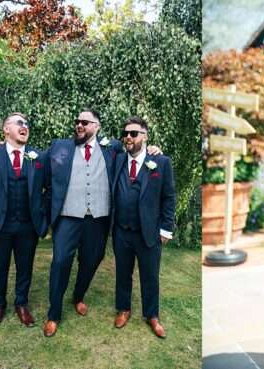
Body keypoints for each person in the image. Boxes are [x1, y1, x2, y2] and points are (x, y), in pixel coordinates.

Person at [41, 108, 161, 337]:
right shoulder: (60, 146)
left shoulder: (112, 148)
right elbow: (35, 162)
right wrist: (9, 147)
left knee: (92, 259)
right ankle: (53, 314)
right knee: (60, 262)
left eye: (85, 122)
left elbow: (136, 151)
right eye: (77, 121)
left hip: (98, 219)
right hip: (68, 217)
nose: (79, 125)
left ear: (96, 126)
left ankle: (78, 296)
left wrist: (153, 149)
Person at [0, 113, 50, 331]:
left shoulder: (38, 157)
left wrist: (41, 211)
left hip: (28, 225)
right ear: (6, 129)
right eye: (19, 123)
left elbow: (50, 189)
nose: (25, 126)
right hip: (0, 225)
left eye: (26, 124)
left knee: (25, 267)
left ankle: (21, 304)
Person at [111, 116, 176, 339]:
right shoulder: (118, 159)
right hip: (121, 231)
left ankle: (152, 315)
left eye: (134, 133)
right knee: (122, 273)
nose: (128, 137)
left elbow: (168, 197)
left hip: (148, 232)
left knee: (150, 276)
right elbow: (92, 143)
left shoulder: (161, 162)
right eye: (126, 133)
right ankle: (124, 309)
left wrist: (166, 229)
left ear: (145, 136)